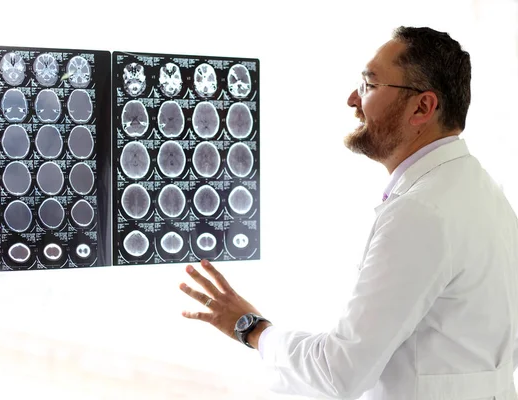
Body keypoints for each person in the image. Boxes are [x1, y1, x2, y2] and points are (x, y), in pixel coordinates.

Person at [179, 26, 518, 400]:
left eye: (369, 85)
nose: (352, 99)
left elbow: (339, 373)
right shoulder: (484, 192)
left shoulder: (421, 213)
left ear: (423, 107)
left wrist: (251, 329)